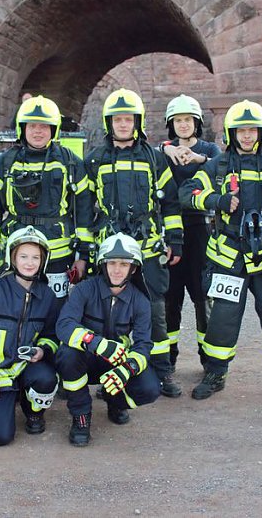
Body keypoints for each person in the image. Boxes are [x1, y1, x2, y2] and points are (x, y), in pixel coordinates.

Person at [179, 101, 262, 400]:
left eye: (252, 130)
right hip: (228, 256)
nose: (247, 136)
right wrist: (217, 201)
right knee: (223, 317)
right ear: (231, 133)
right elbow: (187, 193)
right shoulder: (217, 166)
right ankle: (215, 373)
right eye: (241, 131)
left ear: (261, 133)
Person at [84, 88, 184, 398]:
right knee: (108, 314)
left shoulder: (154, 158)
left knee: (155, 312)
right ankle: (109, 376)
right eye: (118, 119)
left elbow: (169, 204)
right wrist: (87, 248)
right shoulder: (95, 159)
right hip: (110, 252)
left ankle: (162, 371)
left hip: (149, 248)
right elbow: (85, 209)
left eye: (128, 119)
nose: (123, 124)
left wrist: (175, 241)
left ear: (137, 122)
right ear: (108, 123)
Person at [0, 95, 92, 310]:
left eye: (44, 126)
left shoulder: (70, 162)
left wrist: (83, 255)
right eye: (32, 126)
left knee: (56, 310)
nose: (38, 131)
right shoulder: (6, 162)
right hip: (17, 251)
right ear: (23, 128)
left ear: (54, 129)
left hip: (58, 253)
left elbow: (83, 213)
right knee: (16, 309)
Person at [55, 233, 161, 446]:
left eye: (124, 263)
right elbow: (64, 325)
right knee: (67, 354)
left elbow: (143, 345)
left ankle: (115, 401)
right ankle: (81, 417)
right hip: (86, 359)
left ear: (134, 268)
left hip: (116, 364)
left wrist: (127, 369)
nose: (117, 269)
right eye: (111, 262)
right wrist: (97, 343)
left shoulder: (140, 301)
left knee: (150, 388)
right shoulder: (85, 289)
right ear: (102, 264)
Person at [0, 226, 60, 445]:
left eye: (36, 257)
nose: (30, 263)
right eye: (24, 256)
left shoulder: (47, 295)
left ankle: (34, 412)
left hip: (27, 367)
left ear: (43, 261)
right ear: (13, 258)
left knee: (47, 379)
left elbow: (52, 335)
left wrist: (42, 350)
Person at [159, 95, 221, 369]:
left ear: (196, 122)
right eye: (178, 120)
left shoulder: (209, 149)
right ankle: (168, 358)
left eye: (188, 120)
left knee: (201, 295)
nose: (183, 125)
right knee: (170, 297)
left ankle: (207, 358)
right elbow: (145, 151)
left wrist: (200, 158)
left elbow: (224, 162)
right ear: (171, 124)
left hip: (200, 228)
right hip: (170, 230)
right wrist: (165, 149)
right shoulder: (165, 150)